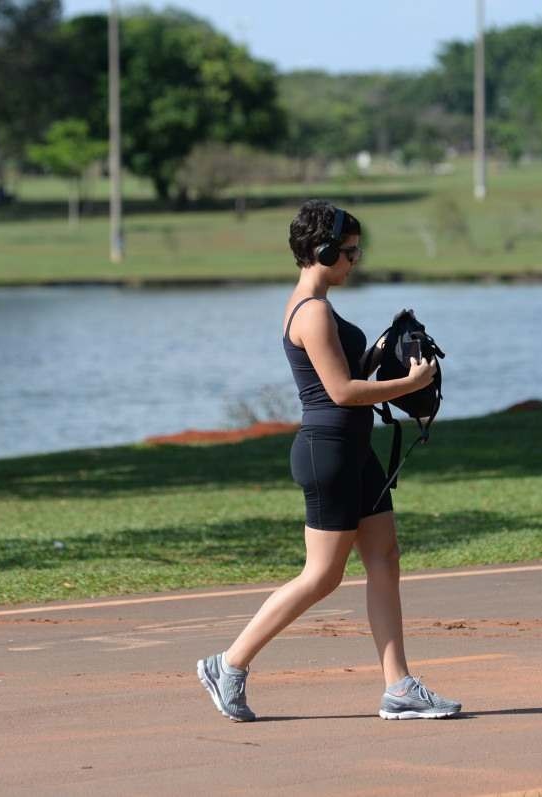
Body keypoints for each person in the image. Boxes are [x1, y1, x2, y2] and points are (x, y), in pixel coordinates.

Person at [196, 200, 462, 722]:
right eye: (348, 252)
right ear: (321, 252)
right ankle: (228, 664)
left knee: (384, 558)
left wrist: (384, 355)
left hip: (353, 450)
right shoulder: (312, 311)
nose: (355, 261)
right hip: (329, 453)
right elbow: (339, 392)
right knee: (321, 576)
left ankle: (400, 687)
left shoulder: (319, 304)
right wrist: (408, 384)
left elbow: (341, 374)